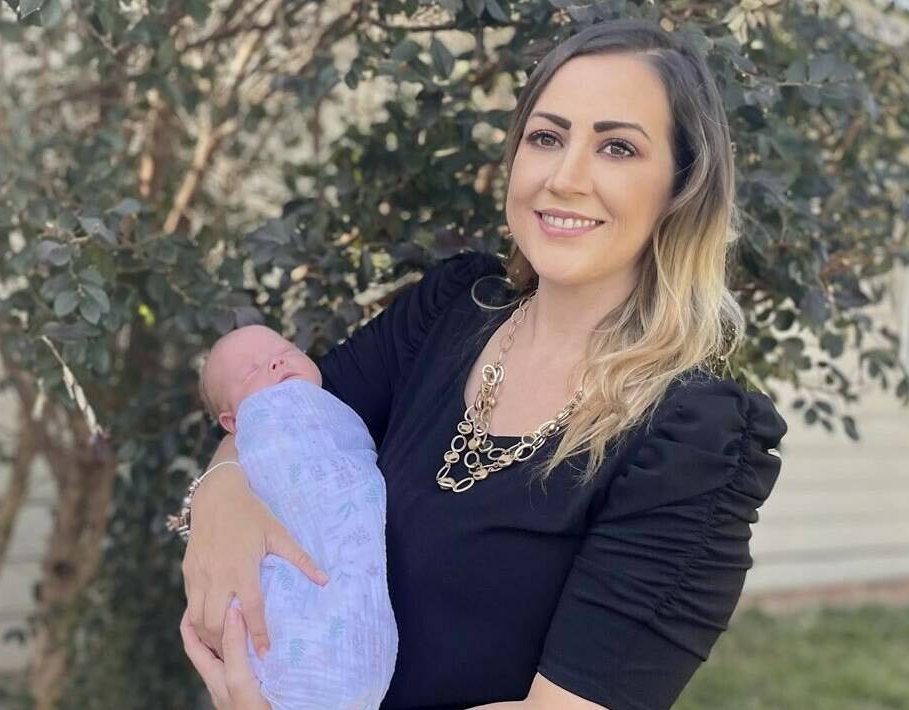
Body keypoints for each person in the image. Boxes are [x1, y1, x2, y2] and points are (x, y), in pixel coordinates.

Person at [178, 17, 789, 710]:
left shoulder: (696, 438)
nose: (566, 177)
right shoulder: (449, 309)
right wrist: (223, 492)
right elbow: (282, 416)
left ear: (681, 188)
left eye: (617, 147)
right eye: (547, 137)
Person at [178, 324, 396, 709]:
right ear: (232, 424)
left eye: (286, 350)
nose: (276, 362)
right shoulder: (252, 433)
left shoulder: (336, 407)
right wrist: (220, 484)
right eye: (252, 371)